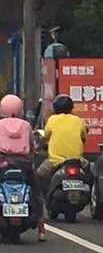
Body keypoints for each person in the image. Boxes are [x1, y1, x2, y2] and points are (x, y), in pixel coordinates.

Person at [0, 94, 46, 242]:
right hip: (24, 164)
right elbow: (31, 146)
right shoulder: (26, 125)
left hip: (2, 163)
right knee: (36, 191)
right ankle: (41, 230)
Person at [36, 94, 88, 187]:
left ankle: (41, 199)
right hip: (77, 161)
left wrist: (37, 147)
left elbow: (45, 137)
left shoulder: (52, 119)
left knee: (39, 174)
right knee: (89, 171)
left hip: (55, 162)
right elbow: (83, 138)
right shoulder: (77, 120)